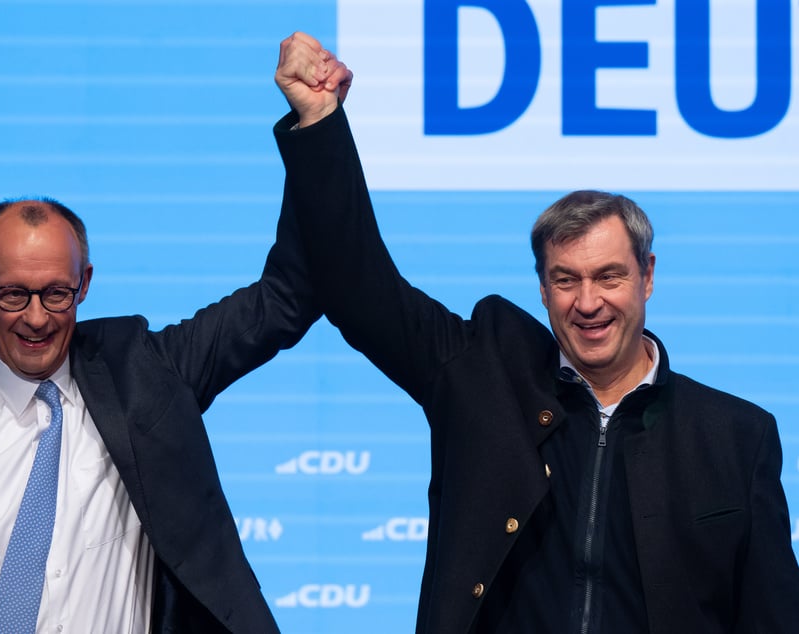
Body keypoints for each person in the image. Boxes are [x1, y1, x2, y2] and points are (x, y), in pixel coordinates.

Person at [273, 32, 799, 633]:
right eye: (566, 280)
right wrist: (318, 124)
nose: (589, 303)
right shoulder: (485, 376)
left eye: (609, 276)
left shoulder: (736, 436)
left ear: (647, 276)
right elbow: (358, 287)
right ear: (542, 288)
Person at [0, 189, 340, 628]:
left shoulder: (146, 376)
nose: (37, 318)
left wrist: (314, 124)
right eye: (14, 294)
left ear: (84, 284)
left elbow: (284, 298)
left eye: (57, 293)